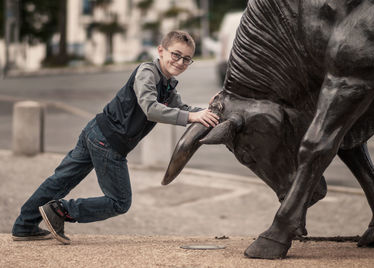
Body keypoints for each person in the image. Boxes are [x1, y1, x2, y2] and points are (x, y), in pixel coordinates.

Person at [11, 30, 219, 244]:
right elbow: (150, 108)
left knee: (60, 181)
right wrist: (192, 116)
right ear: (161, 51)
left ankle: (24, 226)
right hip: (108, 141)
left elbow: (184, 108)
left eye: (186, 59)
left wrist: (208, 110)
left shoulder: (168, 85)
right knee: (119, 201)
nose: (180, 62)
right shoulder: (147, 72)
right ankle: (61, 210)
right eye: (176, 55)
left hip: (96, 131)